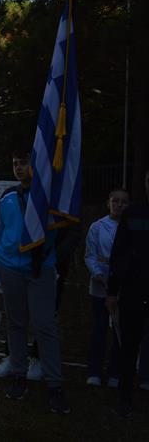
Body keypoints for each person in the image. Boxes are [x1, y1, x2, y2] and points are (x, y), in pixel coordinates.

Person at [0, 149, 70, 414]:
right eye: (15, 163)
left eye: (24, 163)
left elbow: (67, 232)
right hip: (10, 269)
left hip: (40, 270)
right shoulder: (8, 197)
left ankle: (55, 385)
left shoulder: (49, 198)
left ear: (36, 165)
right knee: (16, 323)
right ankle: (19, 374)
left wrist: (53, 260)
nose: (19, 168)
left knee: (45, 326)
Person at [107, 168, 149, 417]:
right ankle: (124, 398)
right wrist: (112, 291)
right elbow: (118, 256)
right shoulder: (132, 214)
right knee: (129, 346)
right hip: (134, 293)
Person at [84, 188, 129, 387]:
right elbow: (90, 254)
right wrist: (98, 273)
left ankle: (115, 372)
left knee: (121, 329)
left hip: (123, 286)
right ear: (108, 203)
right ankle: (95, 370)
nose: (119, 205)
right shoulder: (97, 227)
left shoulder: (130, 227)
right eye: (115, 201)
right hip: (100, 284)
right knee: (100, 328)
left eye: (123, 202)